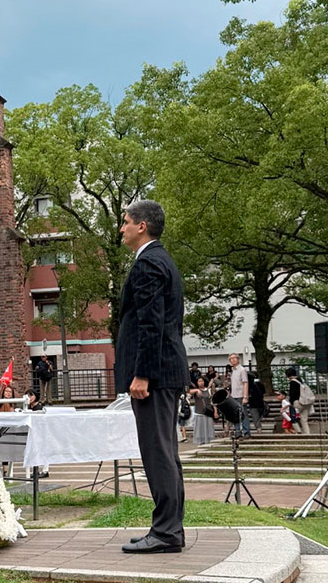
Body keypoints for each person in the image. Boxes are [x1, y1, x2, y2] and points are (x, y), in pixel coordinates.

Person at [115, 200, 187, 554]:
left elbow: (151, 323)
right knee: (165, 452)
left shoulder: (148, 264)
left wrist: (142, 374)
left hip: (154, 375)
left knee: (158, 452)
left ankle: (167, 532)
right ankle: (169, 528)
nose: (122, 228)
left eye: (126, 222)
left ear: (141, 226)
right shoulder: (160, 260)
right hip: (165, 370)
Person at [228, 354, 251, 437]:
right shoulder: (233, 370)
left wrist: (245, 396)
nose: (233, 360)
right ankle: (237, 430)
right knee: (235, 414)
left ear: (238, 359)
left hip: (241, 395)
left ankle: (246, 431)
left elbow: (245, 383)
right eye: (231, 359)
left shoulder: (242, 370)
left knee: (243, 413)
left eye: (234, 358)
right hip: (234, 395)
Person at [286, 369, 314, 435]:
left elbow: (292, 394)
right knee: (304, 420)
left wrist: (291, 403)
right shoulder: (301, 381)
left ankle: (298, 431)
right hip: (307, 402)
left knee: (289, 415)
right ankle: (307, 434)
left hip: (298, 402)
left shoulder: (292, 382)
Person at [189, 377, 215, 445]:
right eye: (199, 381)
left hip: (208, 411)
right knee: (199, 428)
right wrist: (196, 390)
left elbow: (213, 401)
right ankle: (200, 441)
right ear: (197, 383)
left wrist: (215, 411)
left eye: (202, 381)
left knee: (208, 427)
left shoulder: (208, 390)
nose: (201, 382)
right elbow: (188, 391)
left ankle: (209, 441)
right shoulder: (196, 391)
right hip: (199, 412)